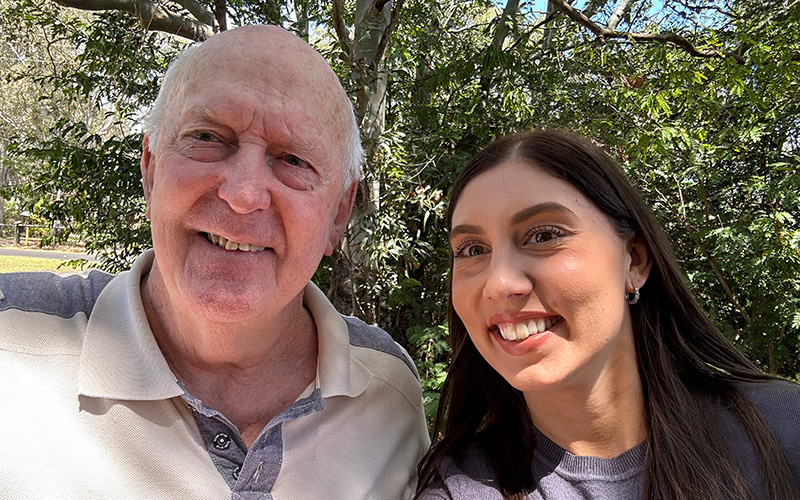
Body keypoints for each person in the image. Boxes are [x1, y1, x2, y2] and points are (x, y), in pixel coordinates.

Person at [0, 25, 429, 499]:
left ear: (338, 215)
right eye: (207, 137)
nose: (243, 195)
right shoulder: (11, 340)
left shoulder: (388, 389)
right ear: (151, 169)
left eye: (293, 160)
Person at [416, 130, 800, 499]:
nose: (499, 283)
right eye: (472, 250)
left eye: (544, 236)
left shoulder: (782, 428)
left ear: (634, 261)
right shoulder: (460, 489)